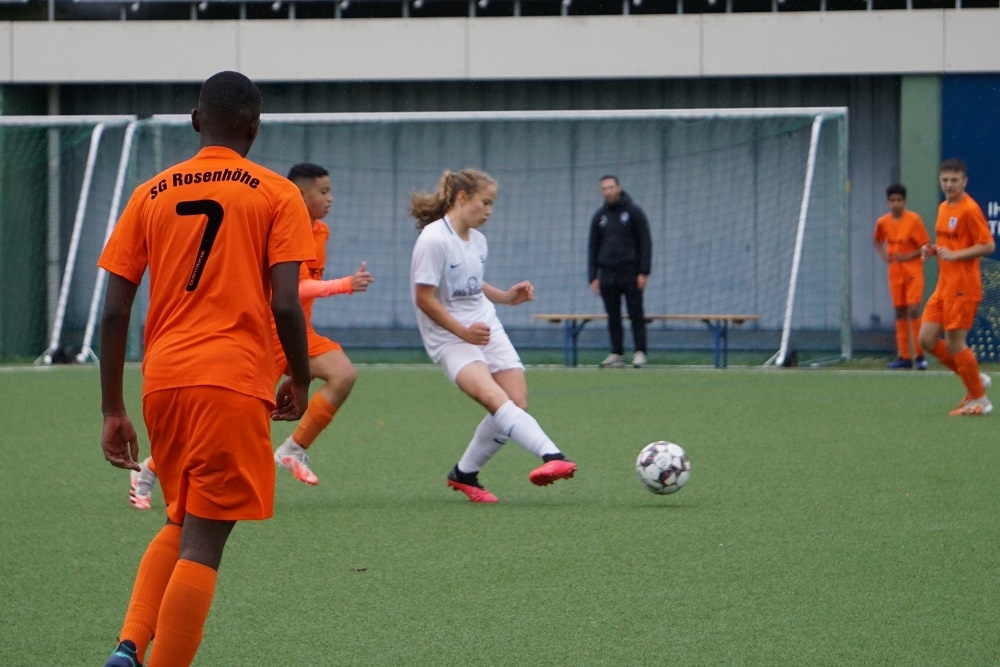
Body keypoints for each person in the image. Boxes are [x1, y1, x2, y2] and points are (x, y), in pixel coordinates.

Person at [99, 71, 314, 667]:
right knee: (204, 541)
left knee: (181, 519)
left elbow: (114, 311)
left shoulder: (150, 192)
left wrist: (113, 408)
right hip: (232, 380)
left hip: (163, 381)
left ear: (196, 121)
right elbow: (286, 304)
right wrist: (300, 376)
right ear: (255, 127)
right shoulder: (277, 193)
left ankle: (129, 645)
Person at [127, 163, 375, 504]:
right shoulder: (278, 225)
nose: (330, 198)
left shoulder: (321, 232)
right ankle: (150, 468)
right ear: (301, 195)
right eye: (323, 191)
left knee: (343, 375)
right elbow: (293, 290)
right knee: (227, 424)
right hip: (266, 335)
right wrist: (344, 285)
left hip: (299, 333)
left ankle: (293, 449)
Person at [409, 168, 577, 502]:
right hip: (450, 337)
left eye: (492, 204)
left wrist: (506, 297)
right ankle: (553, 455)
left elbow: (472, 284)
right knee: (493, 398)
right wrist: (463, 332)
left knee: (516, 402)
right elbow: (424, 299)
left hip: (485, 327)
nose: (489, 211)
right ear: (462, 198)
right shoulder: (433, 239)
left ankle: (464, 474)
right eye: (485, 203)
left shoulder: (478, 241)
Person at [917, 157, 995, 416]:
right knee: (926, 339)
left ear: (964, 181)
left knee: (955, 343)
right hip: (944, 286)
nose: (949, 184)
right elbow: (948, 245)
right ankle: (973, 378)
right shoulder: (943, 208)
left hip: (963, 287)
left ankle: (980, 401)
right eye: (945, 180)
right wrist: (932, 250)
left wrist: (955, 254)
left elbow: (988, 245)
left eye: (954, 180)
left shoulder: (969, 209)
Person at [588, 174, 653, 368]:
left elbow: (645, 242)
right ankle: (617, 353)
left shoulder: (634, 212)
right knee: (613, 315)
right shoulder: (600, 216)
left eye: (611, 187)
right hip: (607, 275)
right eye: (604, 189)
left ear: (618, 188)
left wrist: (644, 271)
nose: (608, 192)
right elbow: (593, 247)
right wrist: (593, 276)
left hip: (631, 272)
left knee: (636, 313)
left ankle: (640, 352)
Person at [873, 182, 930, 370]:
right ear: (888, 202)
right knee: (899, 310)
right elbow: (877, 240)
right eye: (892, 200)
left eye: (899, 200)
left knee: (913, 309)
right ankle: (904, 356)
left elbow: (924, 246)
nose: (896, 204)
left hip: (912, 270)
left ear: (904, 201)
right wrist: (884, 256)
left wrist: (907, 256)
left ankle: (920, 355)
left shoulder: (913, 220)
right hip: (895, 271)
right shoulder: (883, 222)